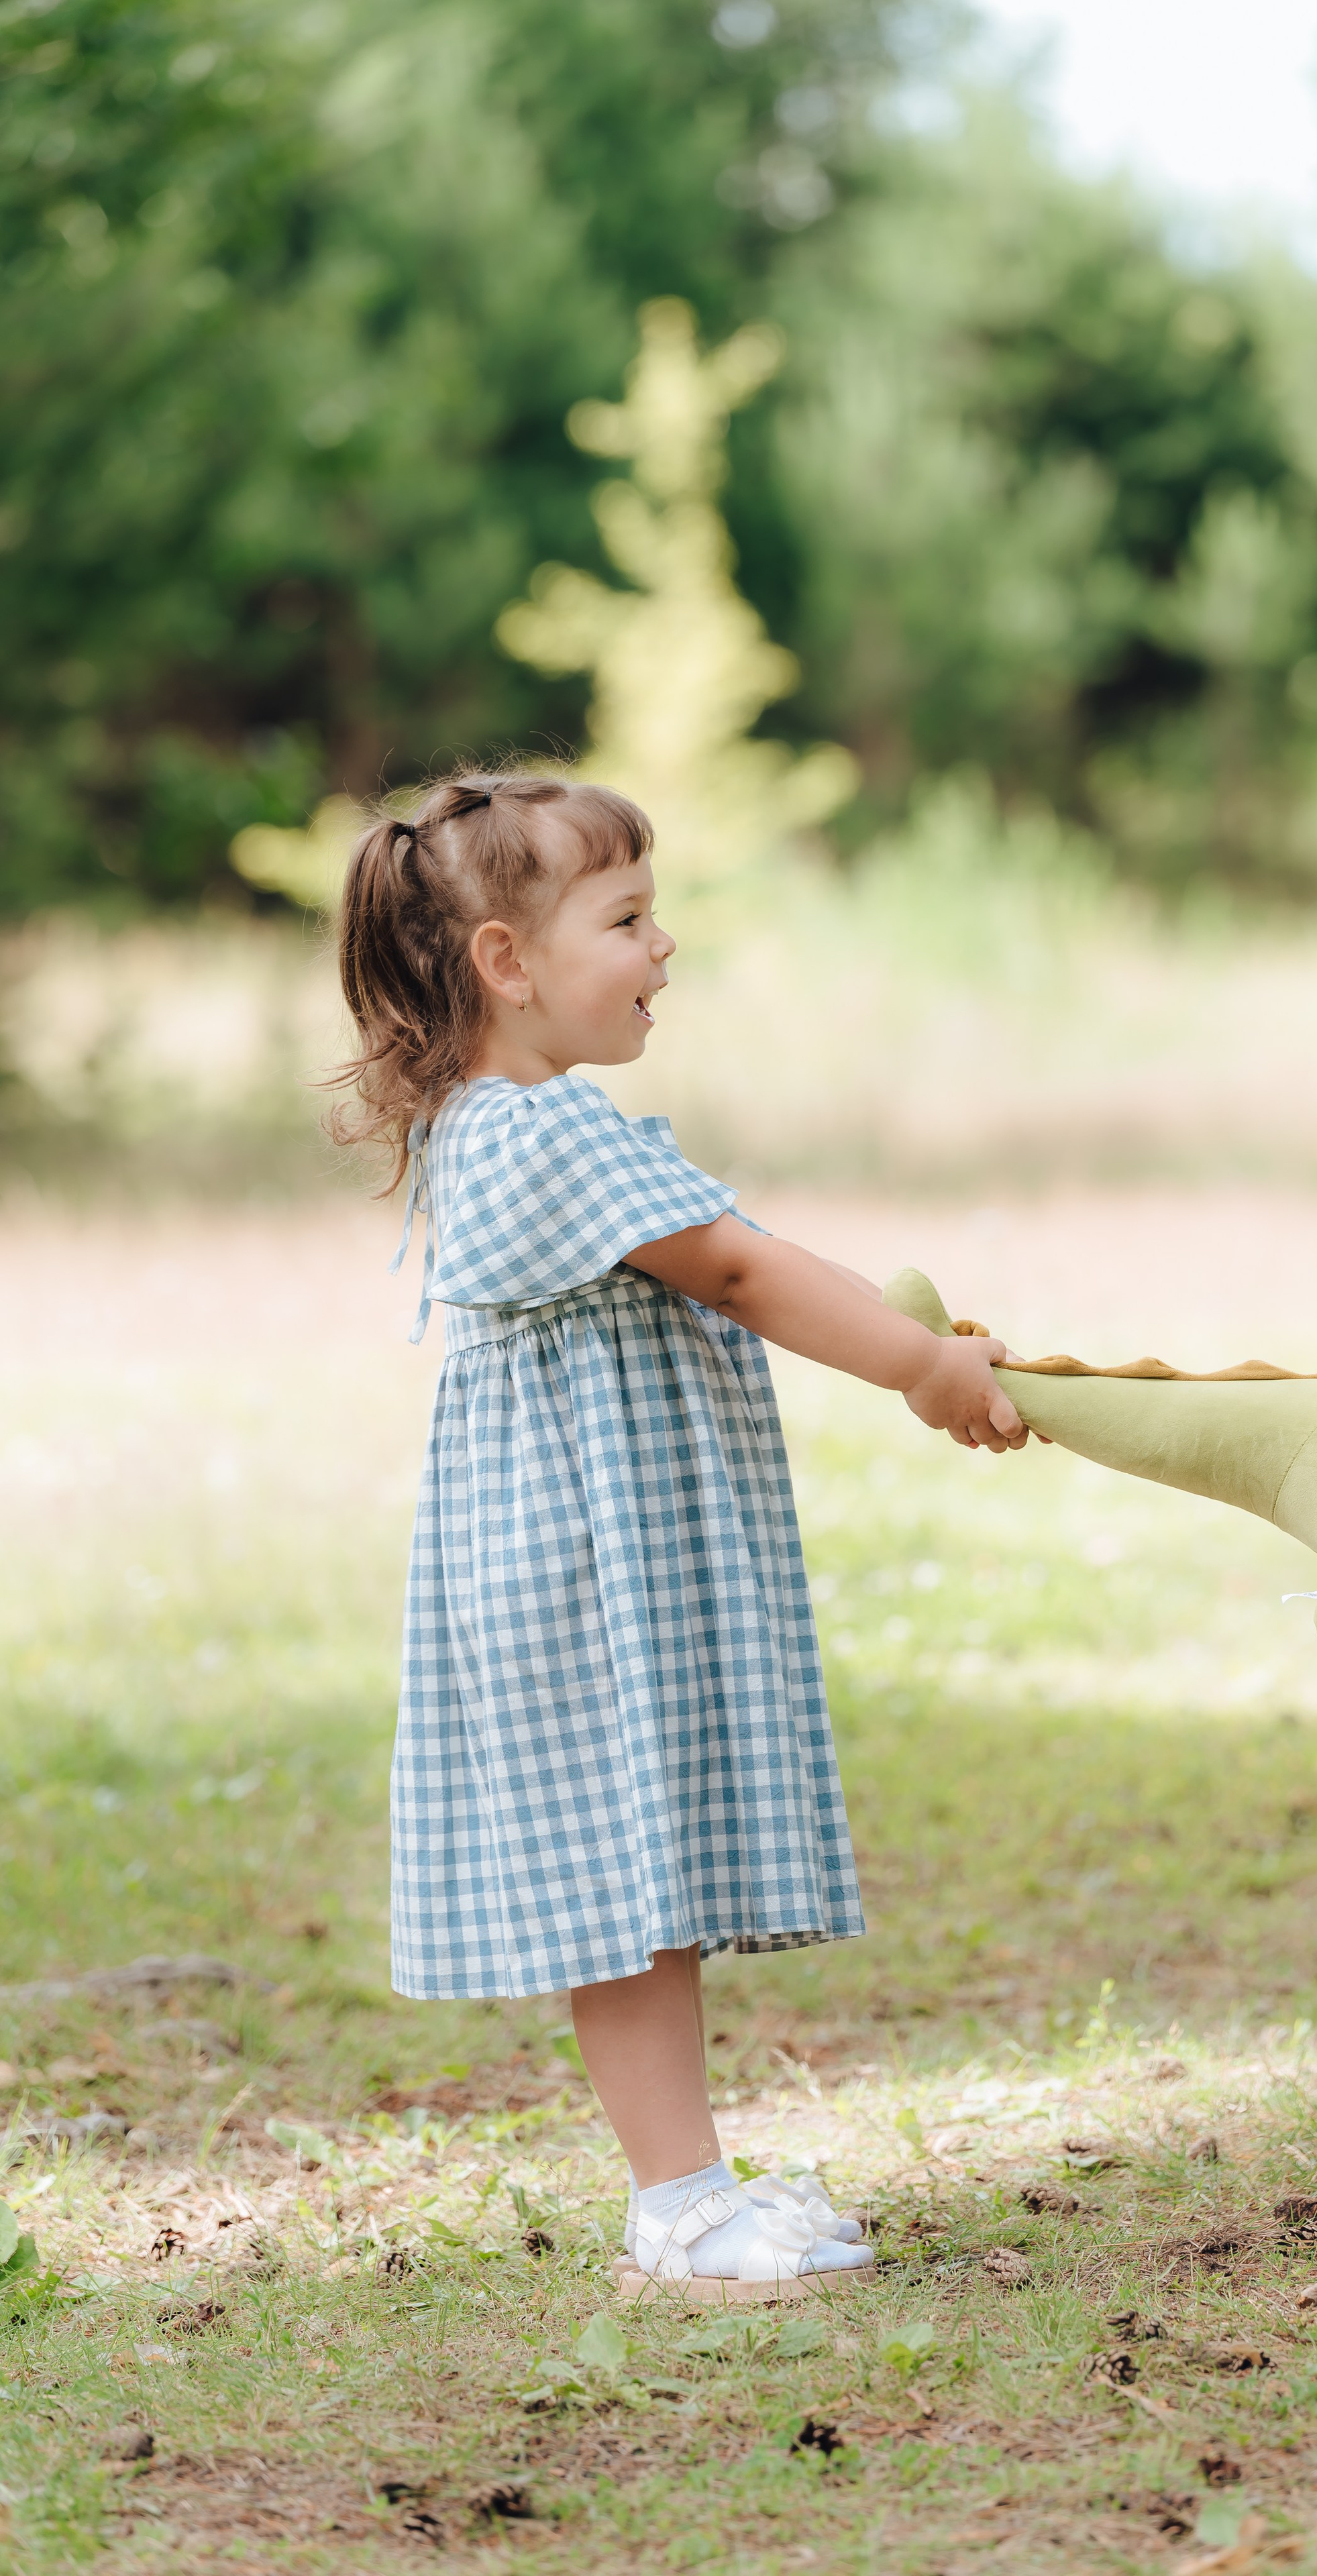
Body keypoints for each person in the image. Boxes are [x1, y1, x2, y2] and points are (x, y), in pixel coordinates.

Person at [333, 769, 1025, 2291]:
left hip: (594, 1552)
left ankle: (691, 2175)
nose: (664, 948)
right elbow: (739, 1270)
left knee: (642, 1880)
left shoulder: (507, 1123)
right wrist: (923, 1368)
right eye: (629, 918)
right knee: (623, 1884)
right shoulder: (543, 1131)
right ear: (508, 962)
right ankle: (679, 2201)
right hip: (583, 1568)